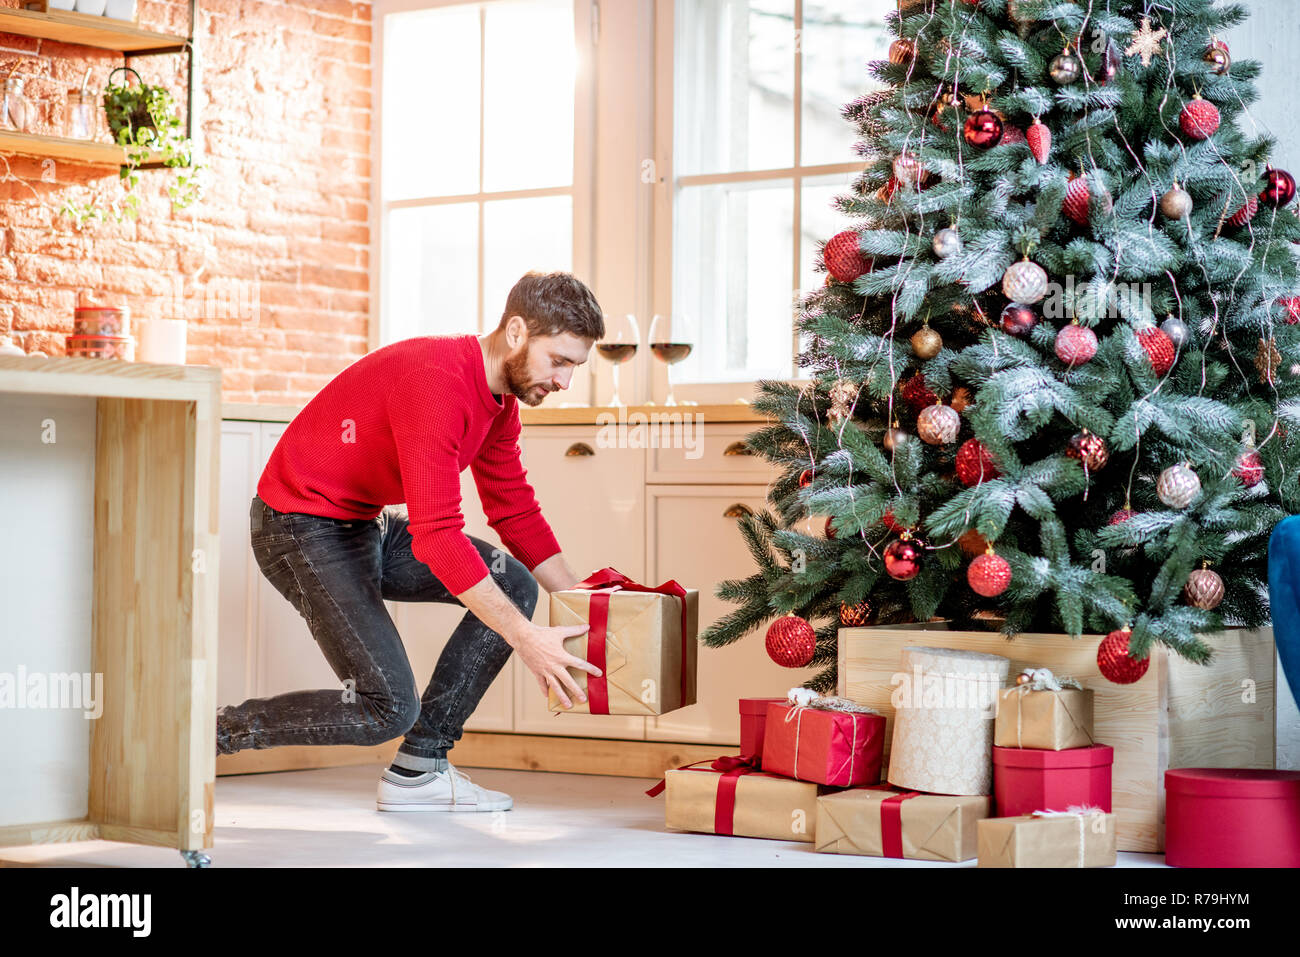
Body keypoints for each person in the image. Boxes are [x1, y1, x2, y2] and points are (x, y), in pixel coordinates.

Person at [216, 271, 606, 812]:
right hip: (298, 528)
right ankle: (203, 737)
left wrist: (590, 602)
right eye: (559, 361)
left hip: (362, 525)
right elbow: (438, 538)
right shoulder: (437, 381)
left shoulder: (500, 403)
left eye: (574, 367)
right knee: (386, 708)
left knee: (511, 581)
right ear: (516, 332)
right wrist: (525, 637)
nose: (565, 380)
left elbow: (512, 509)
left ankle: (419, 769)